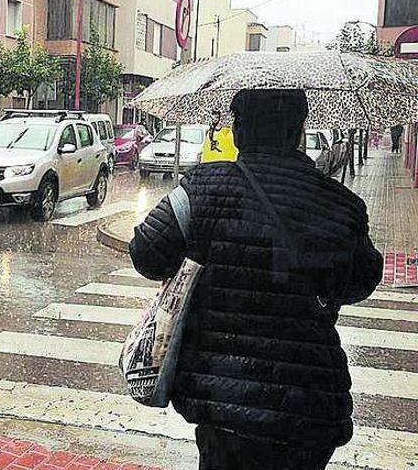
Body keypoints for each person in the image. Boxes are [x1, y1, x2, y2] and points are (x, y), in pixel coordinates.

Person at [129, 89, 383, 470]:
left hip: (226, 402)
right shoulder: (341, 203)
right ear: (298, 130)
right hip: (310, 402)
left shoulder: (204, 187)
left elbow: (146, 254)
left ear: (241, 129)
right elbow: (362, 281)